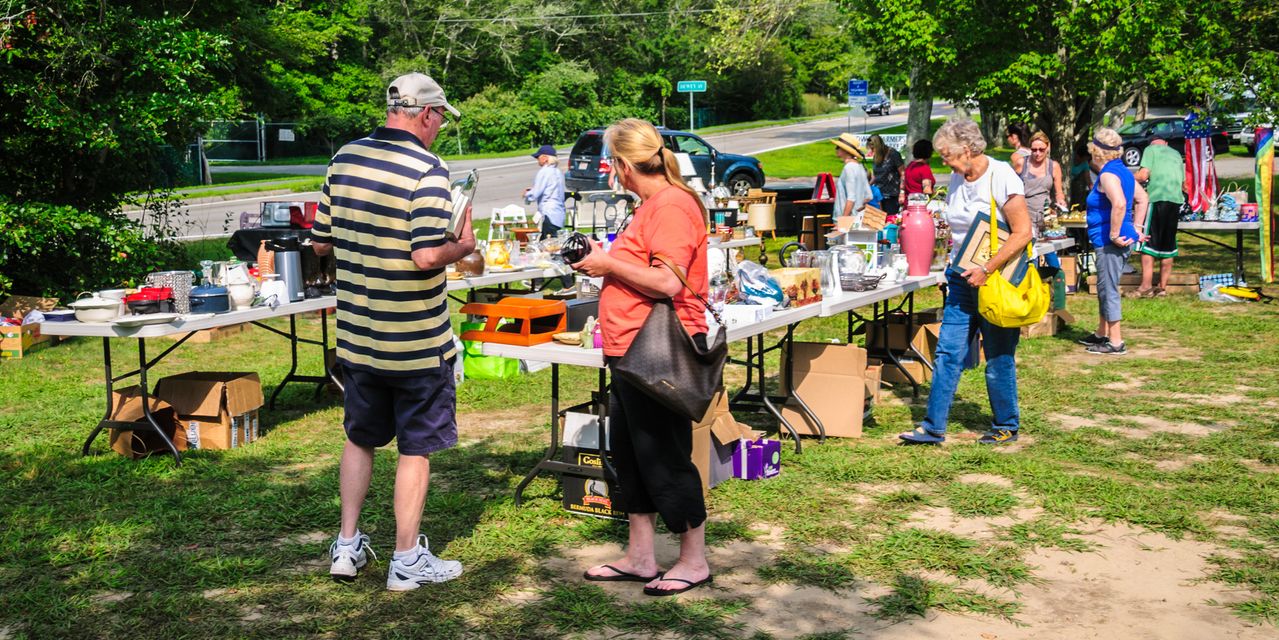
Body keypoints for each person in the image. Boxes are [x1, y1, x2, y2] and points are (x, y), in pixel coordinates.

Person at [311, 72, 475, 590]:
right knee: (414, 448)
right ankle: (406, 560)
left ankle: (346, 545)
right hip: (417, 342)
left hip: (358, 336)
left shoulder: (344, 158)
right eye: (441, 119)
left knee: (359, 439)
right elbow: (428, 254)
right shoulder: (429, 170)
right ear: (426, 113)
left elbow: (319, 244)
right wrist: (464, 245)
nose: (440, 129)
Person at [573, 118, 713, 597]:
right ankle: (640, 556)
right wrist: (607, 263)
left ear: (624, 166)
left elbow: (668, 283)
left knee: (664, 454)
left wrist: (607, 262)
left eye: (612, 162)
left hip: (657, 349)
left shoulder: (672, 205)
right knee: (631, 455)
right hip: (630, 349)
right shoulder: (653, 204)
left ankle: (694, 560)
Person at [899, 119, 1032, 446]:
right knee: (947, 353)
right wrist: (948, 269)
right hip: (960, 281)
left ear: (969, 149)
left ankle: (1006, 425)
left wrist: (987, 268)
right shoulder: (958, 178)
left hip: (995, 282)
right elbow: (959, 233)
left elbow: (1023, 232)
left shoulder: (1001, 175)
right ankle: (933, 427)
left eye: (948, 154)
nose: (943, 161)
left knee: (998, 356)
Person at [1078, 127, 1149, 355]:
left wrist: (1114, 233)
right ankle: (1101, 333)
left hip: (1111, 241)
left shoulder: (1108, 175)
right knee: (1102, 286)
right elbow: (1142, 198)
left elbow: (1119, 203)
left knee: (1108, 288)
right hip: (1115, 238)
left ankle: (1116, 341)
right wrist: (1137, 228)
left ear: (1096, 152)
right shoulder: (1123, 171)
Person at [1131, 132, 1185, 297]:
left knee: (1148, 242)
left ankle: (1146, 286)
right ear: (1166, 143)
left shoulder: (1151, 149)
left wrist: (1125, 178)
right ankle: (1162, 288)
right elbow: (1183, 184)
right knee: (1168, 245)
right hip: (1175, 201)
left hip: (1156, 199)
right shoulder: (1176, 154)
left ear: (1152, 142)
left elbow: (1143, 175)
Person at [1019, 131, 1067, 237]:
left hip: (1045, 215)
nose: (1037, 153)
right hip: (1024, 214)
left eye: (1041, 150)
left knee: (1049, 250)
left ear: (1048, 147)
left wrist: (1060, 200)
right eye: (1034, 150)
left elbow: (1059, 192)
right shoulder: (1021, 163)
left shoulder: (1053, 166)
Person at [523, 143, 566, 236]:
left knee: (546, 244)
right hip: (559, 214)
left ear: (545, 158)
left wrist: (526, 194)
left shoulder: (544, 172)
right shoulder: (558, 172)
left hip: (548, 213)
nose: (537, 160)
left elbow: (535, 194)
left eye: (538, 157)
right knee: (554, 242)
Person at [831, 133, 872, 225]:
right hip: (857, 219)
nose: (836, 149)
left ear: (845, 150)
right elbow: (868, 196)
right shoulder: (859, 167)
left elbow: (851, 198)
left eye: (838, 147)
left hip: (847, 220)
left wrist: (843, 221)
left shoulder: (849, 168)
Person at [868, 133, 905, 215]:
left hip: (891, 194)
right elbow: (875, 175)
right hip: (879, 195)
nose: (872, 151)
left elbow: (903, 174)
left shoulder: (893, 154)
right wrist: (867, 186)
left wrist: (902, 192)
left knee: (890, 219)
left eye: (873, 148)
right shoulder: (876, 156)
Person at [901, 139, 937, 203]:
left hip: (908, 204)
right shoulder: (924, 168)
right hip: (919, 206)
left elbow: (903, 186)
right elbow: (927, 190)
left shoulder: (910, 166)